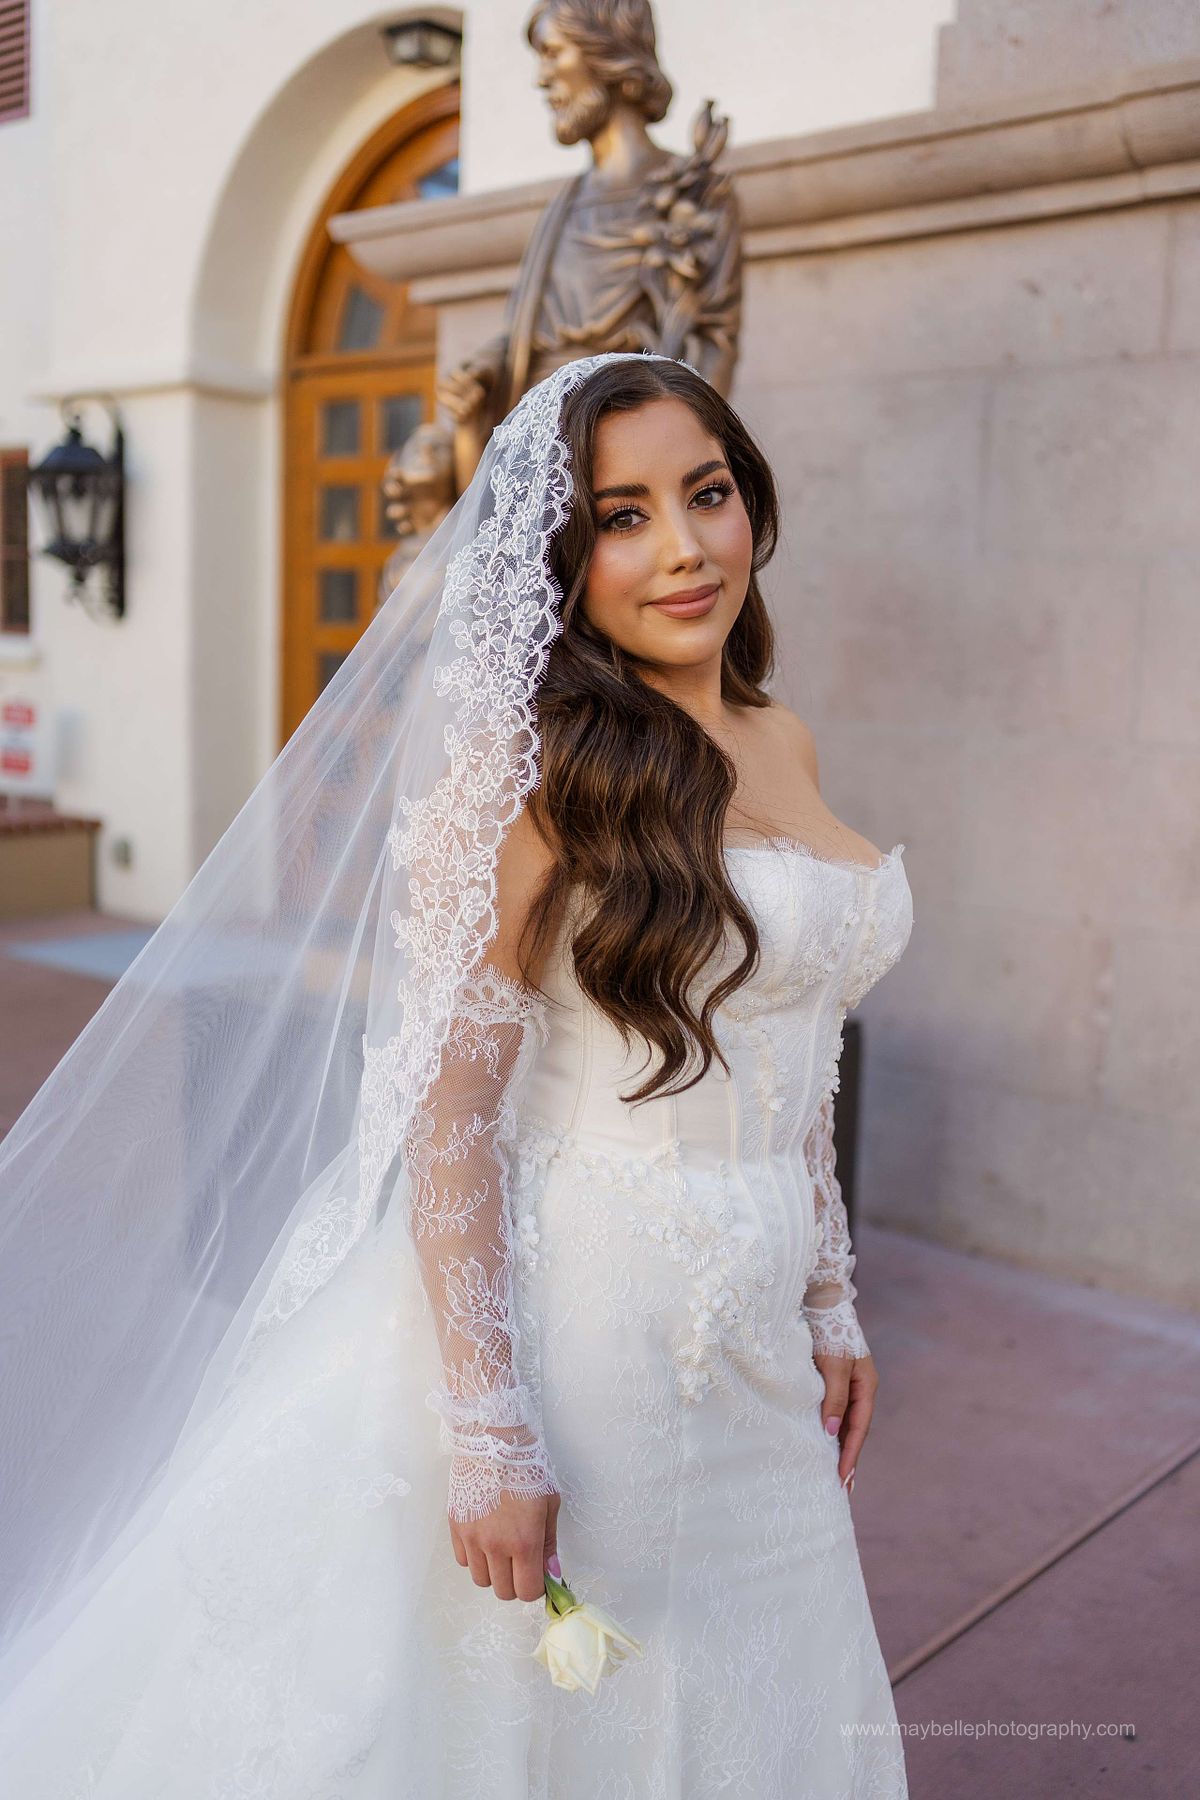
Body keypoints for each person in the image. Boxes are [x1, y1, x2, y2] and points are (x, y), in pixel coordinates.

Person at [0, 352, 913, 1796]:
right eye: (622, 518)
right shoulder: (527, 769)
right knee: (585, 1714)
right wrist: (490, 1426)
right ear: (559, 556)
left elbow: (791, 1043)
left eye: (708, 493)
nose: (684, 548)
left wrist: (831, 1293)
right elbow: (450, 1110)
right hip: (597, 1323)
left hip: (761, 1342)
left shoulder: (780, 735)